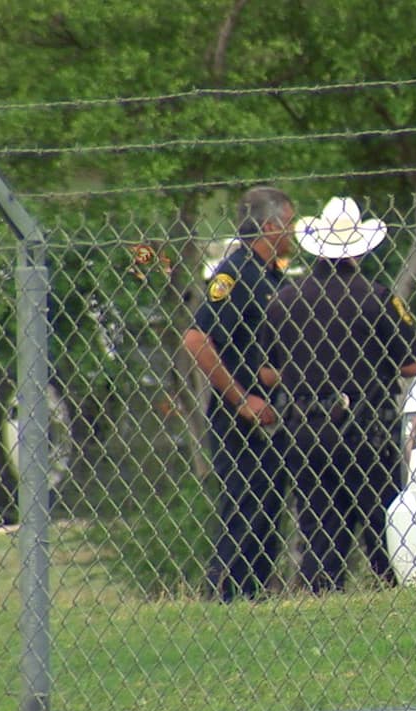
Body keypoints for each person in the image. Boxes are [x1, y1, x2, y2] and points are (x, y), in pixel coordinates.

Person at [261, 195, 416, 593]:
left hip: (305, 427)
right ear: (360, 249)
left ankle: (321, 596)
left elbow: (267, 373)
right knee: (380, 522)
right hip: (368, 426)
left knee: (318, 527)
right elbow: (413, 363)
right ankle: (392, 591)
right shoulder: (377, 296)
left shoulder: (283, 300)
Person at [183, 185, 297, 602]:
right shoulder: (237, 274)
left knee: (268, 511)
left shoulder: (273, 276)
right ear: (269, 226)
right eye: (289, 223)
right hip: (239, 418)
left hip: (273, 414)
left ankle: (254, 597)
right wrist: (241, 397)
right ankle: (223, 596)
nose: (294, 233)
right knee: (243, 509)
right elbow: (197, 340)